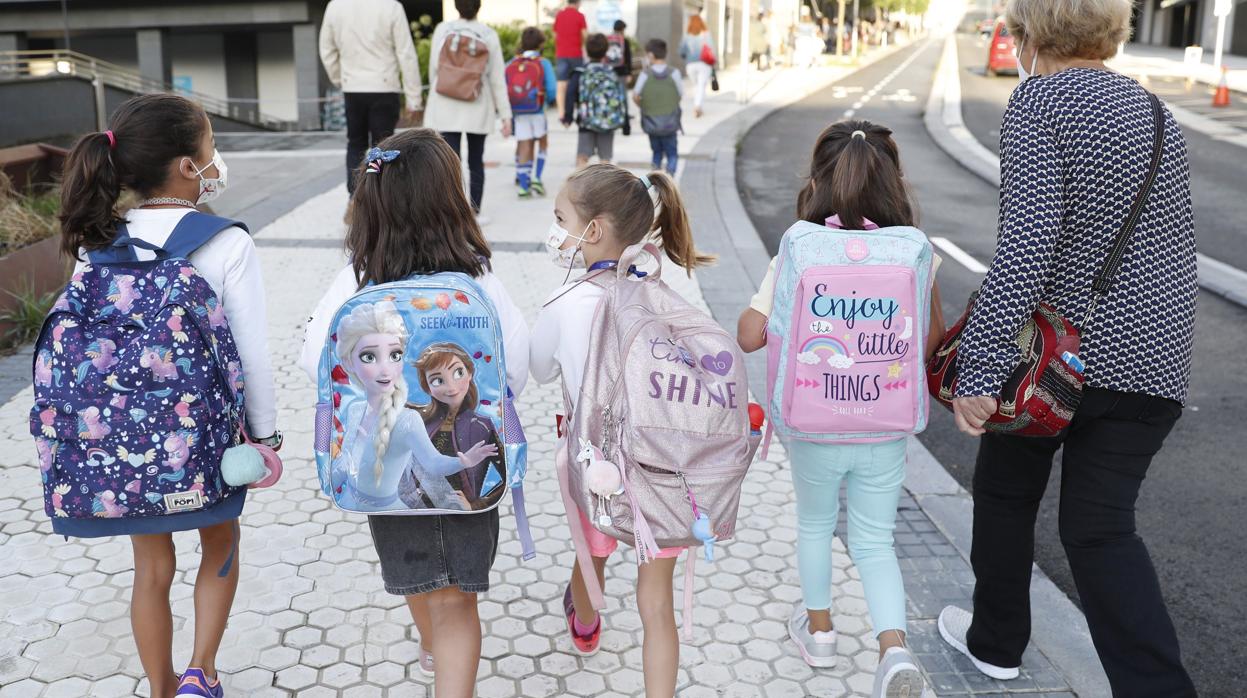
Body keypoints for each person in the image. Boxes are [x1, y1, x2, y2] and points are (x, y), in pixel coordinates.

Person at [939, 0, 1199, 695]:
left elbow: (1026, 247)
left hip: (1054, 361)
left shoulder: (1038, 102)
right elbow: (1170, 244)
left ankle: (994, 644)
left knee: (1003, 492)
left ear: (1026, 34)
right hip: (1151, 359)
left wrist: (980, 367)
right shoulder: (1154, 116)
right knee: (1101, 531)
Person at [54, 93, 278, 698]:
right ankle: (202, 674)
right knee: (221, 543)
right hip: (206, 436)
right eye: (209, 147)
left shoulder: (97, 240)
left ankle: (160, 686)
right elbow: (252, 352)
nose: (215, 160)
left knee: (151, 569)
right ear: (186, 166)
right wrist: (265, 435)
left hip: (122, 440)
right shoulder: (225, 241)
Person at [298, 129, 529, 698]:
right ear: (453, 200)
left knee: (421, 581)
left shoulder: (358, 277)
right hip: (468, 476)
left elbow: (314, 361)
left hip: (385, 473)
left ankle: (433, 650)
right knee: (457, 601)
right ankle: (448, 668)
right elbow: (514, 368)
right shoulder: (477, 276)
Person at [736, 121, 945, 698]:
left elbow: (750, 334)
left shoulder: (800, 245)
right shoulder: (914, 250)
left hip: (812, 424)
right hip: (885, 425)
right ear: (896, 182)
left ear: (817, 180)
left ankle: (821, 633)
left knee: (815, 524)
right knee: (876, 538)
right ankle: (894, 649)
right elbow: (929, 340)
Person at [530, 163, 713, 698]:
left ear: (595, 229)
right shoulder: (666, 297)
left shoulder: (565, 303)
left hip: (598, 467)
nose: (555, 227)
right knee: (657, 605)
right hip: (664, 468)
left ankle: (585, 624)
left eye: (561, 217)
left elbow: (539, 370)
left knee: (595, 549)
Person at [318, 0, 423, 195]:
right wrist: (414, 98)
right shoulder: (391, 7)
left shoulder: (335, 6)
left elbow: (327, 50)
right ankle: (382, 200)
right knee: (383, 148)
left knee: (355, 144)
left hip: (353, 87)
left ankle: (355, 198)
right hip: (384, 86)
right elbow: (406, 53)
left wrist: (340, 79)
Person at [424, 0, 512, 223]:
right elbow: (496, 79)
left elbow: (435, 67)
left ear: (456, 6)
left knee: (448, 164)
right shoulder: (488, 34)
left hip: (445, 105)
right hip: (477, 105)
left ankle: (450, 215)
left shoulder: (443, 30)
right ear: (479, 7)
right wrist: (505, 115)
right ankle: (474, 213)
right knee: (476, 161)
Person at [506, 26, 558, 198]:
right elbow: (551, 89)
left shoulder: (513, 62)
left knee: (524, 145)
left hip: (518, 111)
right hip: (537, 110)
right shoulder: (543, 63)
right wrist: (549, 102)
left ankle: (523, 185)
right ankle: (536, 178)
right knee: (542, 142)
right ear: (541, 44)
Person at [562, 34, 627, 167]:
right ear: (606, 51)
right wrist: (625, 123)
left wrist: (568, 116)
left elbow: (570, 94)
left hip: (586, 121)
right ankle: (603, 187)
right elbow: (621, 96)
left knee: (582, 157)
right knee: (605, 160)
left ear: (586, 50)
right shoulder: (612, 72)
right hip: (608, 121)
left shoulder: (580, 72)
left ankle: (581, 186)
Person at [633, 38, 684, 176]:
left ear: (650, 55)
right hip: (670, 122)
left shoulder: (645, 74)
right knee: (672, 154)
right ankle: (670, 179)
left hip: (651, 122)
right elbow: (680, 94)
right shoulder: (674, 73)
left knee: (656, 153)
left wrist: (643, 105)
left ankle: (656, 181)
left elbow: (636, 95)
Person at [553, 0, 588, 119]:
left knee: (561, 84)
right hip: (576, 54)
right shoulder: (580, 16)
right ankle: (579, 111)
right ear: (578, 3)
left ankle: (561, 113)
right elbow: (584, 35)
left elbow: (555, 35)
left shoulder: (559, 15)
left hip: (561, 54)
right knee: (578, 83)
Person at [679, 13, 714, 118]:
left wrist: (688, 56)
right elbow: (711, 49)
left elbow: (681, 51)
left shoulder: (686, 36)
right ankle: (697, 106)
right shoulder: (706, 34)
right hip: (704, 64)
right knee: (701, 86)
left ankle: (697, 105)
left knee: (697, 85)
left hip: (690, 65)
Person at [608, 19, 634, 136]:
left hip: (609, 73)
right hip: (622, 72)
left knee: (611, 98)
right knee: (623, 99)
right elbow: (628, 58)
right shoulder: (624, 40)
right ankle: (626, 127)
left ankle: (611, 123)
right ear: (623, 29)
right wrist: (629, 73)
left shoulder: (608, 39)